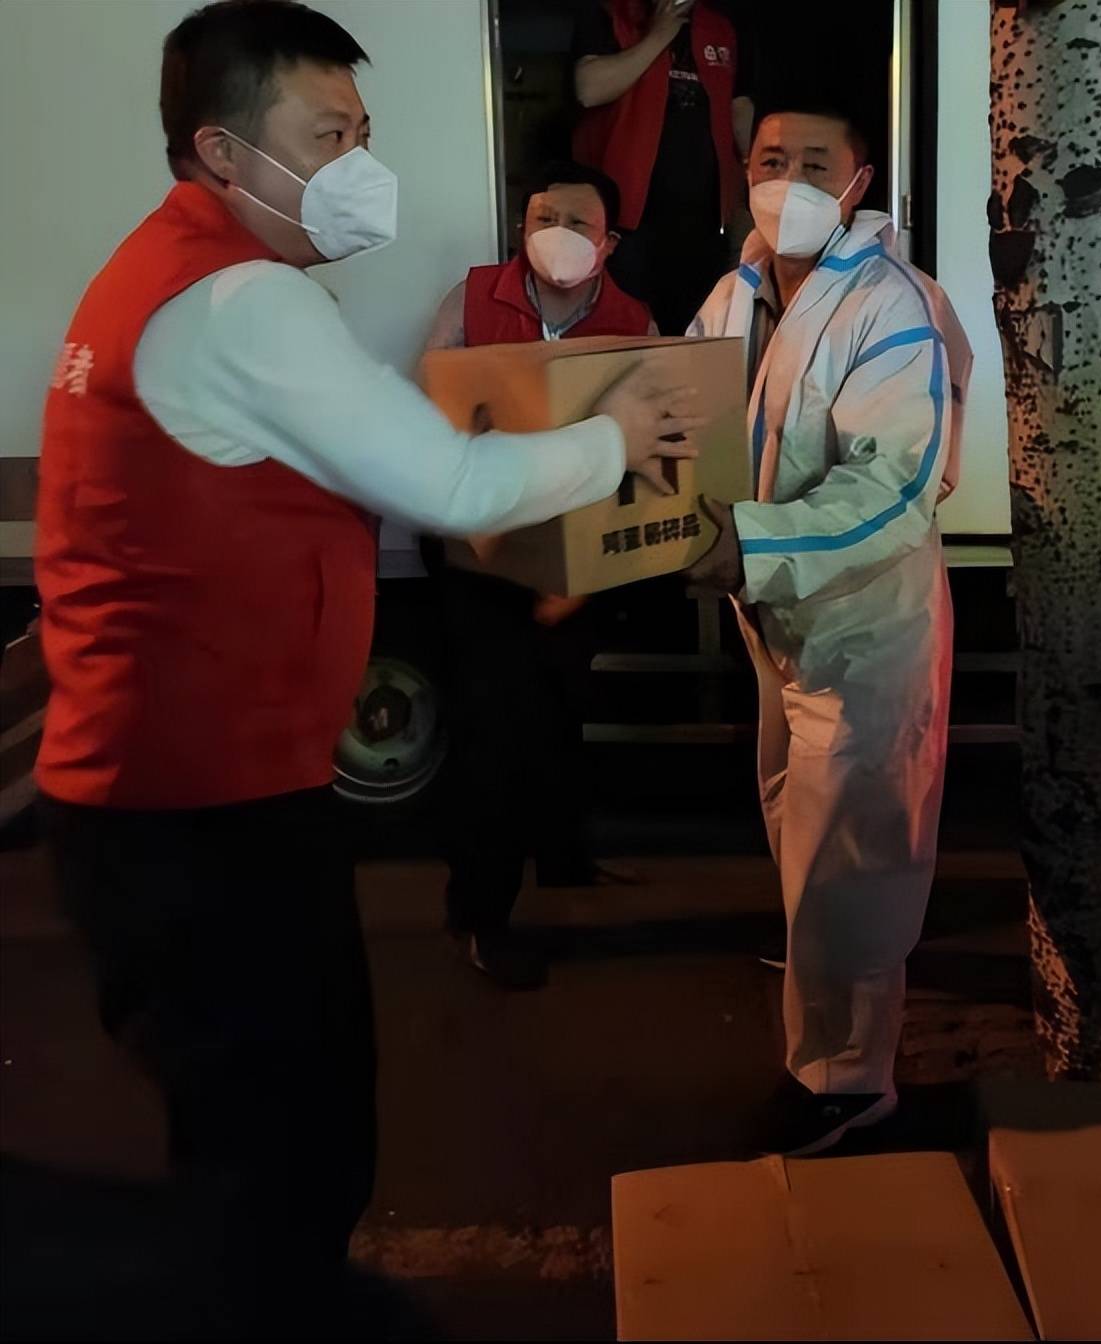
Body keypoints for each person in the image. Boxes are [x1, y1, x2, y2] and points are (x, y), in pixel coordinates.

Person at [33, 0, 697, 1331]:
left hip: (173, 794)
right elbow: (452, 482)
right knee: (284, 1159)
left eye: (363, 131)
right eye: (326, 136)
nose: (359, 163)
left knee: (261, 1139)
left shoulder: (170, 272)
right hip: (201, 812)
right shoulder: (240, 300)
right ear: (222, 151)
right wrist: (618, 436)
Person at [685, 100, 972, 1157]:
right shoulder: (735, 294)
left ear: (857, 185)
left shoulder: (891, 303)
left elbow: (893, 489)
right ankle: (821, 985)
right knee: (797, 821)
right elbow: (685, 423)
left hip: (862, 619)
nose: (788, 180)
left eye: (815, 163)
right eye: (771, 158)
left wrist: (746, 543)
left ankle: (846, 1083)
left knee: (855, 849)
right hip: (773, 610)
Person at [424, 162, 654, 991]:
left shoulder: (634, 321)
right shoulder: (472, 300)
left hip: (579, 562)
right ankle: (479, 917)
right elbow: (436, 415)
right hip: (481, 555)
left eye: (576, 222)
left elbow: (650, 457)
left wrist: (585, 578)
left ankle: (563, 859)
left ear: (609, 242)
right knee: (493, 739)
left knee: (560, 715)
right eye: (541, 217)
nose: (555, 233)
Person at [572, 0, 753, 335]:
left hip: (706, 222)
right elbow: (589, 89)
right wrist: (659, 35)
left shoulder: (720, 26)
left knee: (701, 333)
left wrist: (752, 180)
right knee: (631, 335)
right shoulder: (610, 14)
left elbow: (738, 106)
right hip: (628, 222)